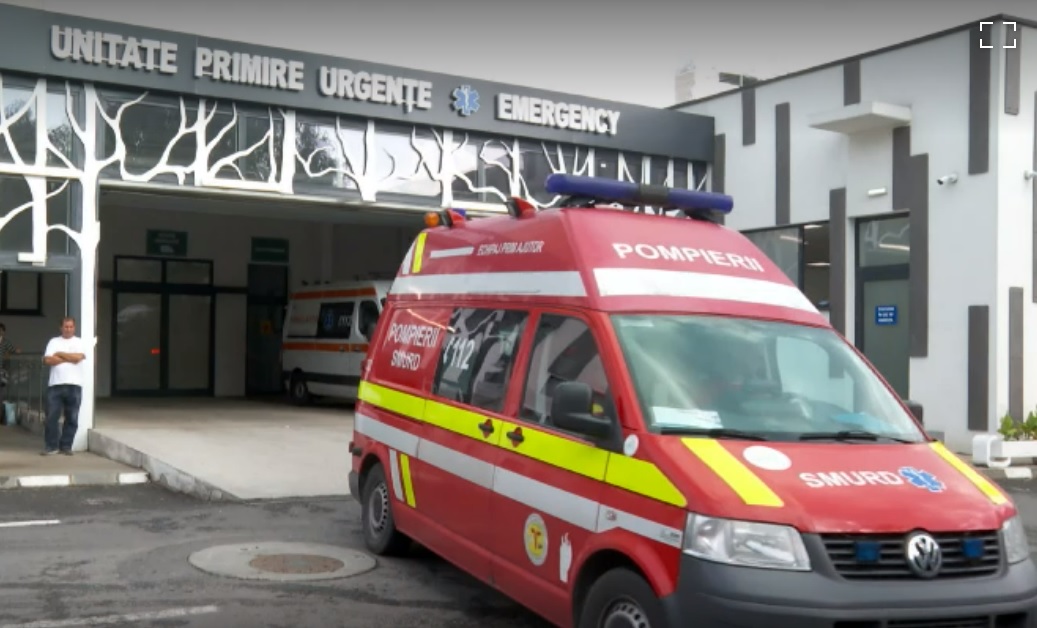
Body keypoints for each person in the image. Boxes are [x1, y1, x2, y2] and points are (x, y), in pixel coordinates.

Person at [41, 317, 86, 456]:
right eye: (66, 327)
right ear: (61, 328)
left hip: (75, 385)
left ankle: (66, 446)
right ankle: (51, 446)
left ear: (74, 328)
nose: (68, 329)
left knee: (72, 417)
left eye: (71, 327)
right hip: (55, 384)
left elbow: (77, 358)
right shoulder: (53, 342)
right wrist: (69, 358)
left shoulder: (79, 342)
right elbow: (48, 360)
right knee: (51, 417)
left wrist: (59, 354)